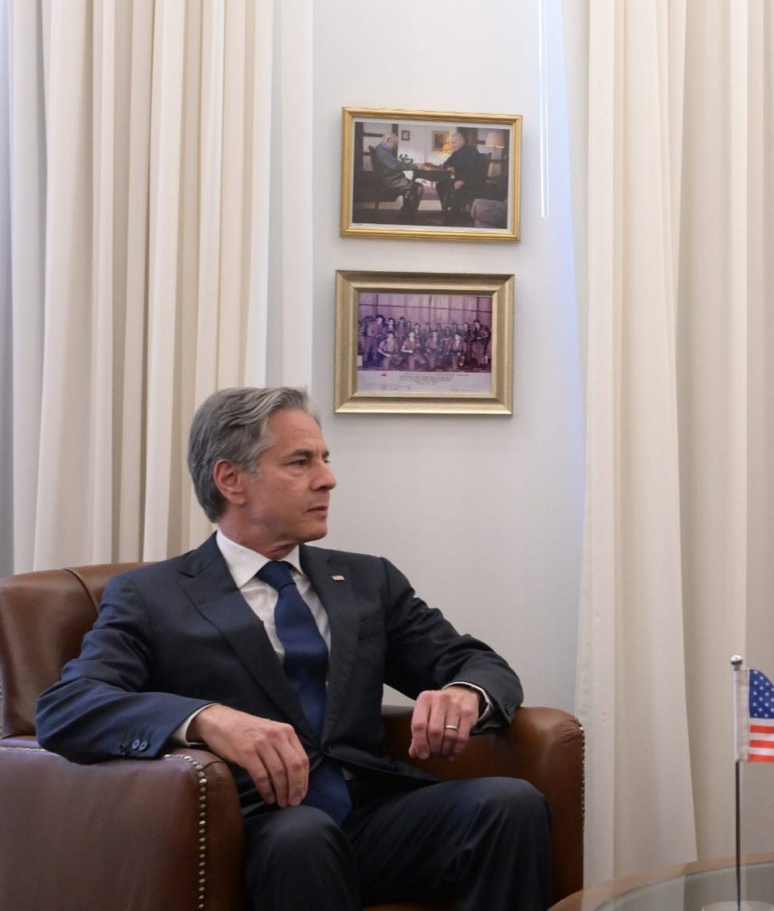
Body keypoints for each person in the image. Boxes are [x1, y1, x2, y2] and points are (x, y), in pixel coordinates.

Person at [35, 387, 552, 910]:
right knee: (301, 837)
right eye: (300, 462)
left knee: (510, 803)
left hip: (373, 816)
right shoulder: (152, 596)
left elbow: (477, 662)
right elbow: (67, 706)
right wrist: (206, 719)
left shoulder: (368, 581)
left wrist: (465, 693)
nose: (327, 478)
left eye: (324, 459)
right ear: (231, 479)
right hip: (257, 830)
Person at [434, 132, 487, 217]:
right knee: (440, 185)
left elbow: (472, 169)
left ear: (461, 142)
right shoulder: (455, 153)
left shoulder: (471, 151)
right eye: (451, 143)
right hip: (458, 179)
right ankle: (445, 208)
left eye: (454, 143)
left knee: (460, 188)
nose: (452, 145)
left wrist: (462, 181)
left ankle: (454, 213)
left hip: (471, 181)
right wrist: (447, 167)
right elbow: (445, 164)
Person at [370, 132, 422, 215]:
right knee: (418, 187)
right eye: (395, 143)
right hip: (390, 181)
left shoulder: (381, 149)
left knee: (412, 185)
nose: (395, 146)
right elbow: (395, 165)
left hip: (388, 178)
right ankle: (410, 214)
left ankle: (406, 210)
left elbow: (393, 164)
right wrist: (415, 166)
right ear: (389, 140)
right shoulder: (382, 151)